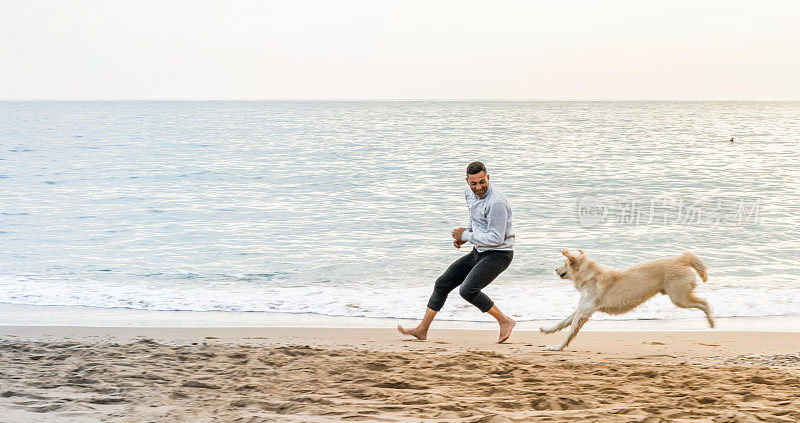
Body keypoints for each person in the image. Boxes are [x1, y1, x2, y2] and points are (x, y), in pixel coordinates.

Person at [398, 161, 517, 343]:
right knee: (442, 283)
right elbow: (475, 219)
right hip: (479, 251)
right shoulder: (469, 193)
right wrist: (465, 235)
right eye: (474, 183)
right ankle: (422, 330)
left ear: (488, 177)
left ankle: (505, 321)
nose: (479, 187)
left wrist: (468, 235)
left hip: (499, 254)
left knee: (468, 290)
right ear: (467, 182)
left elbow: (496, 238)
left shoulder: (497, 202)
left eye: (482, 181)